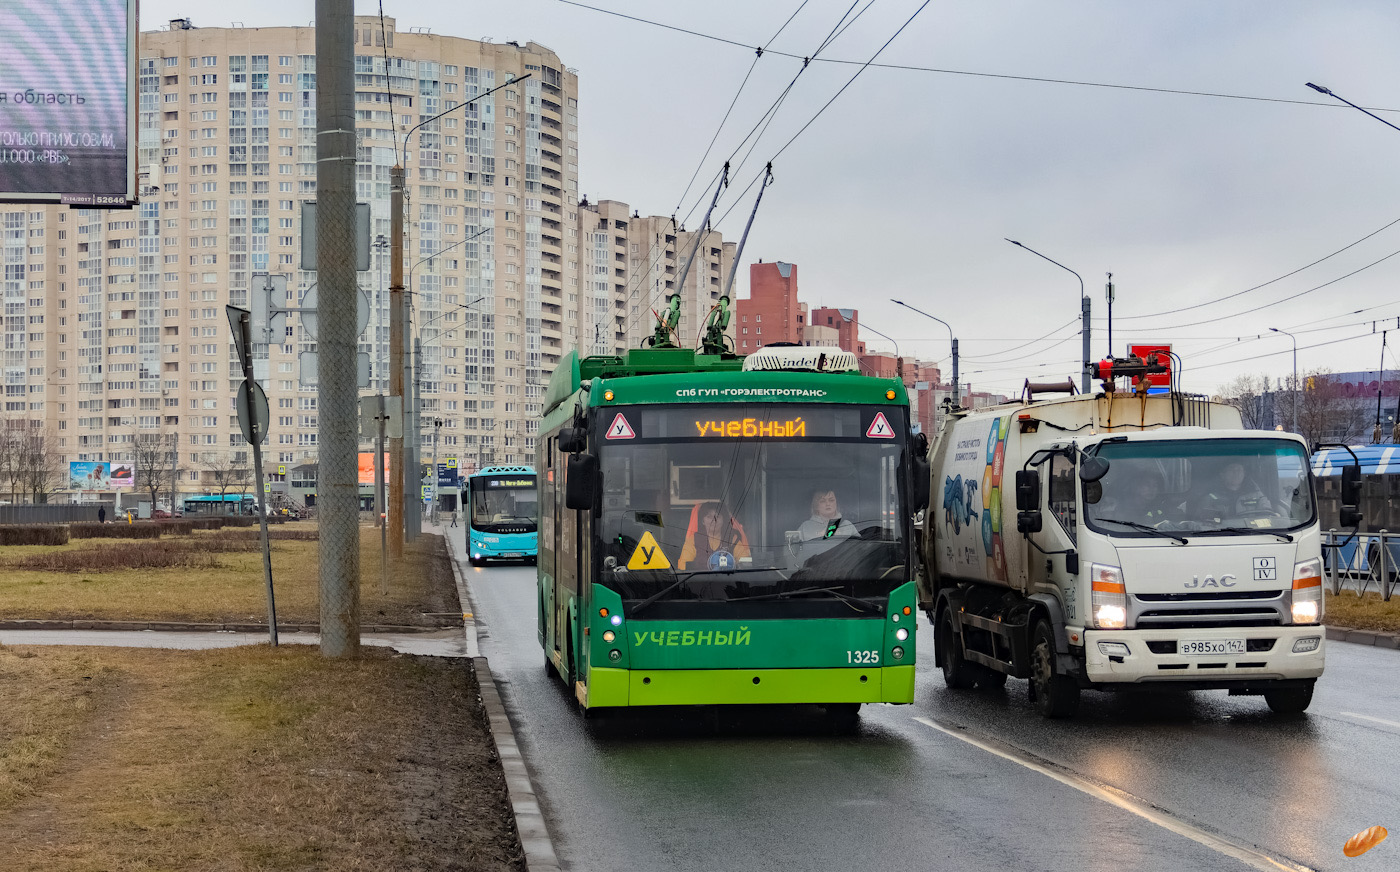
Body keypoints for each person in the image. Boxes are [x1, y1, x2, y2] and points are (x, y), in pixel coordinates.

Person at [678, 501, 750, 570]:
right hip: (699, 581)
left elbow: (745, 562)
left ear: (723, 520)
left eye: (717, 516)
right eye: (709, 517)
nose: (714, 520)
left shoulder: (732, 538)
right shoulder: (694, 539)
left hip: (728, 580)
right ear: (703, 521)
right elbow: (683, 565)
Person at [1195, 460, 1272, 520]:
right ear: (1222, 475)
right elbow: (1203, 522)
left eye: (1239, 470)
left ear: (1244, 474)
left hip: (1253, 534)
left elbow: (1267, 516)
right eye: (1231, 469)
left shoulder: (1258, 496)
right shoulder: (1210, 498)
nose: (1236, 473)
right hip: (1220, 536)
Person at [797, 488, 859, 558]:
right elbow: (794, 554)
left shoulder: (847, 526)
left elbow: (862, 550)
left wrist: (841, 536)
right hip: (814, 567)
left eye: (831, 500)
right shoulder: (806, 527)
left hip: (844, 567)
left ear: (836, 503)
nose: (828, 504)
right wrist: (817, 538)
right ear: (816, 505)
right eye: (823, 501)